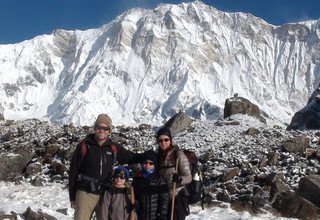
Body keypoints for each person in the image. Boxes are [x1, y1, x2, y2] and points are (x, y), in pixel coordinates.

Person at [68, 113, 136, 220]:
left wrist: (150, 158)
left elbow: (130, 157)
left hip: (105, 194)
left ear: (109, 131)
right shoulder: (85, 145)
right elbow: (73, 171)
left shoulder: (112, 147)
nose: (102, 131)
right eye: (99, 127)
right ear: (94, 129)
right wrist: (72, 196)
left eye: (105, 128)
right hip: (85, 193)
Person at [156, 127, 192, 220]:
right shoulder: (158, 156)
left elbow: (188, 177)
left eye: (166, 139)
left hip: (177, 198)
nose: (163, 142)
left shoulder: (178, 154)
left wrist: (180, 179)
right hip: (164, 199)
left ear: (170, 140)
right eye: (160, 140)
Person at [132, 150, 169, 220]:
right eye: (145, 162)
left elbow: (164, 200)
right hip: (140, 216)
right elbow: (134, 197)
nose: (147, 165)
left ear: (155, 165)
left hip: (155, 217)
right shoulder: (137, 180)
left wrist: (162, 215)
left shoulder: (160, 180)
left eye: (151, 163)